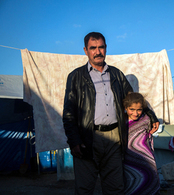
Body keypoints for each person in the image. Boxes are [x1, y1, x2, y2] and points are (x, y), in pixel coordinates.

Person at [62, 32, 159, 195]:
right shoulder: (76, 77)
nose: (97, 51)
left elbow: (132, 99)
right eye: (93, 48)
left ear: (106, 49)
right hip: (87, 138)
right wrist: (74, 141)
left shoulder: (116, 74)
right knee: (84, 188)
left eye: (101, 47)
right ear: (86, 50)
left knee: (115, 188)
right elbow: (69, 113)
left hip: (115, 138)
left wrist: (151, 115)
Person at [123, 92, 160, 195]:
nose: (136, 113)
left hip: (147, 160)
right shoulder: (121, 120)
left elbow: (150, 136)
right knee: (131, 185)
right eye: (132, 109)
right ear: (126, 107)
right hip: (128, 159)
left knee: (150, 184)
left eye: (139, 110)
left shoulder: (146, 119)